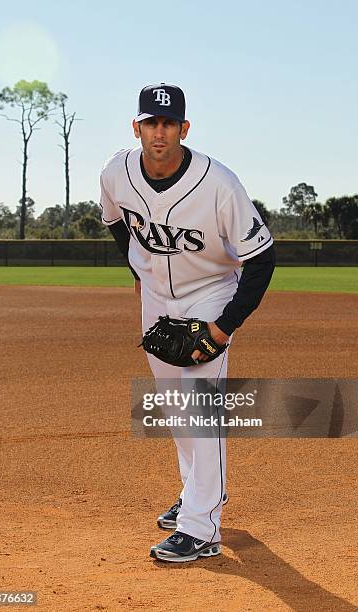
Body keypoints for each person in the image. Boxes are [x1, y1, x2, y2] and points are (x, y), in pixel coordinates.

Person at [100, 83, 275, 562]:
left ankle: (203, 526)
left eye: (168, 124)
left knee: (202, 410)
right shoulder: (117, 172)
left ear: (184, 128)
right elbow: (115, 221)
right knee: (175, 407)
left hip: (211, 293)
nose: (159, 132)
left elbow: (262, 259)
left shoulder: (219, 183)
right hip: (157, 296)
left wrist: (222, 329)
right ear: (136, 128)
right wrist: (138, 271)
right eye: (150, 123)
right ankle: (194, 494)